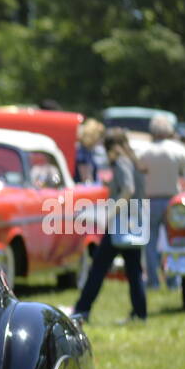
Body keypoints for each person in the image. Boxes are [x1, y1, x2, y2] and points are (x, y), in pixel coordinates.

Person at [71, 128, 147, 324]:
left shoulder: (121, 161)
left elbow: (128, 189)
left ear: (113, 147)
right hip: (135, 221)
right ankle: (140, 314)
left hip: (120, 222)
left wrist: (111, 213)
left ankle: (82, 310)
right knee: (134, 270)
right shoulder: (133, 160)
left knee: (98, 267)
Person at [136, 114, 185, 290]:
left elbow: (138, 173)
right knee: (174, 241)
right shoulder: (177, 149)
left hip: (151, 201)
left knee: (150, 244)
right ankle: (174, 280)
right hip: (173, 201)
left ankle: (153, 281)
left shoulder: (145, 151)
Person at [76, 118, 105, 184]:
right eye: (100, 136)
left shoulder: (86, 151)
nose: (102, 140)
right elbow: (86, 180)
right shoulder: (83, 153)